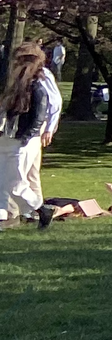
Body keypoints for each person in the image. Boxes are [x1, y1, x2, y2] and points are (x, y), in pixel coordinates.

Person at [1, 43, 64, 225]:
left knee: (16, 183)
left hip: (22, 140)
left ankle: (40, 210)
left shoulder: (38, 84)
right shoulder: (17, 83)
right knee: (3, 180)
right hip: (8, 137)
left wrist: (28, 136)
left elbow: (40, 113)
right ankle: (4, 215)